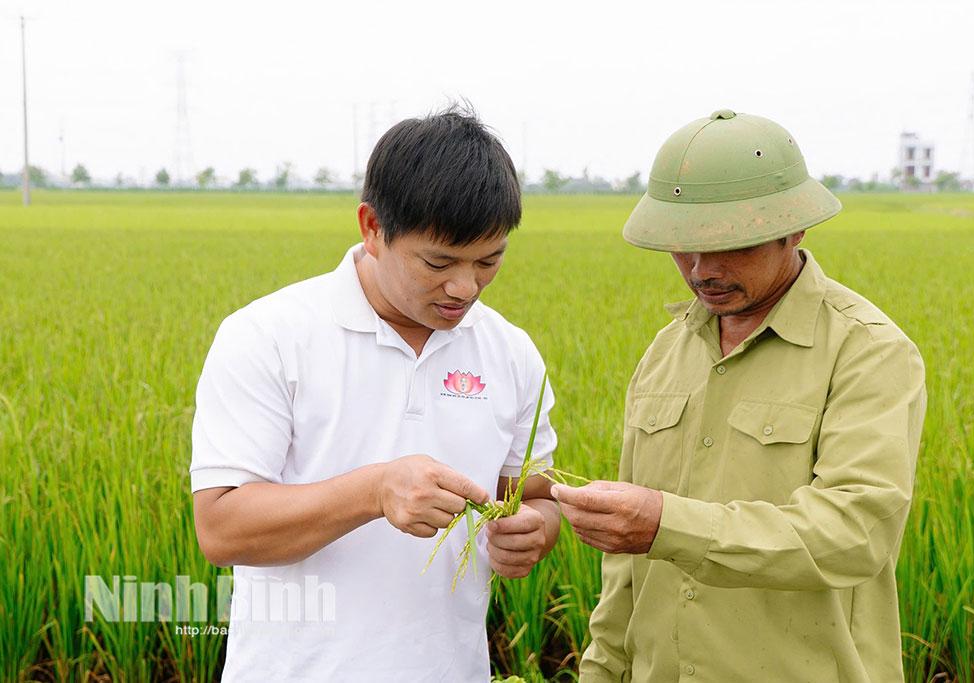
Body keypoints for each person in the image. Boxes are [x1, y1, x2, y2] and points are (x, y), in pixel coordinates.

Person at [552, 109, 926, 682]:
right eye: (683, 248)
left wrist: (666, 525)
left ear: (795, 229)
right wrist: (601, 670)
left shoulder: (868, 352)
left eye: (730, 245)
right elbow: (626, 569)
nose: (703, 270)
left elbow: (855, 532)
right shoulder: (665, 353)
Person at [190, 106, 560, 682]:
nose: (464, 288)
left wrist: (536, 530)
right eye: (438, 263)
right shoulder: (269, 336)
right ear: (372, 228)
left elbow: (534, 494)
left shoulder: (510, 353)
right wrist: (374, 490)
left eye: (489, 261)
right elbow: (221, 527)